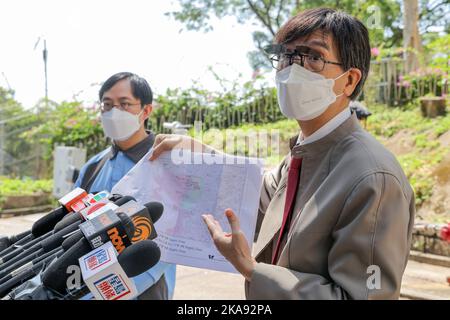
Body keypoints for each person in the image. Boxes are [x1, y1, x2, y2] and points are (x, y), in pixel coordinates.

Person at [149, 8, 415, 299]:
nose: (292, 69)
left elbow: (365, 296)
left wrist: (253, 269)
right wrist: (202, 153)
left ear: (349, 81)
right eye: (286, 56)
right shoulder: (305, 153)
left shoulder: (373, 177)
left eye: (313, 57)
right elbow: (256, 193)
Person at [74, 72, 176, 300]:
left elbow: (172, 241)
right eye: (107, 105)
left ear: (146, 110)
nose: (114, 112)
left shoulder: (167, 164)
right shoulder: (92, 167)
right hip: (85, 288)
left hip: (147, 290)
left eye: (124, 104)